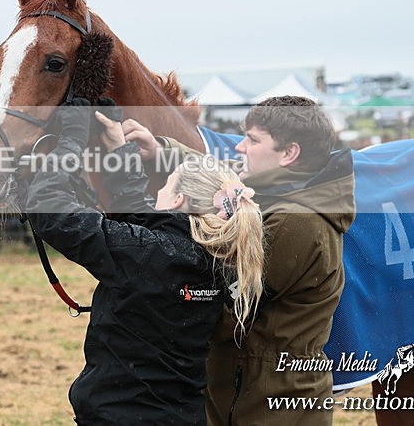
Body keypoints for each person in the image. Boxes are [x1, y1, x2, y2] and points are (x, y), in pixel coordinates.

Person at [24, 100, 265, 425]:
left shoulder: (151, 253)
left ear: (177, 200)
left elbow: (50, 211)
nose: (158, 193)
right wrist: (117, 148)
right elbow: (147, 220)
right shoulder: (220, 255)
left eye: (166, 185)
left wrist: (71, 140)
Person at [124, 96, 356, 425]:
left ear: (289, 153)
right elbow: (221, 176)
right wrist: (160, 152)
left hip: (269, 405)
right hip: (248, 394)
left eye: (253, 140)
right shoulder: (280, 189)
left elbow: (226, 313)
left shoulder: (296, 222)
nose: (240, 148)